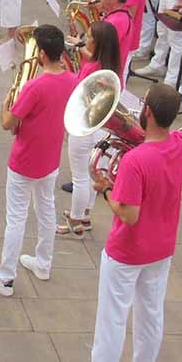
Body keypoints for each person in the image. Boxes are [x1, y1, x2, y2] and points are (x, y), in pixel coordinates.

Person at [89, 84, 182, 362]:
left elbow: (128, 214)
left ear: (147, 110)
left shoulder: (135, 161)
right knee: (150, 314)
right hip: (162, 247)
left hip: (127, 249)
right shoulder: (180, 144)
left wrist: (106, 190)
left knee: (111, 320)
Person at [0, 25, 77, 297]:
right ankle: (44, 262)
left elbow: (8, 123)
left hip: (25, 158)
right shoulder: (72, 80)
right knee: (46, 208)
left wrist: (6, 103)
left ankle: (5, 277)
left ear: (41, 54)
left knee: (16, 218)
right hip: (51, 157)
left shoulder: (35, 86)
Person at [56, 21, 120, 237]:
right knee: (93, 174)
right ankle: (83, 214)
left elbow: (78, 94)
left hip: (85, 125)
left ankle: (75, 220)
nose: (86, 38)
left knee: (80, 178)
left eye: (89, 36)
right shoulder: (109, 65)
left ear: (97, 41)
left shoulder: (93, 67)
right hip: (102, 127)